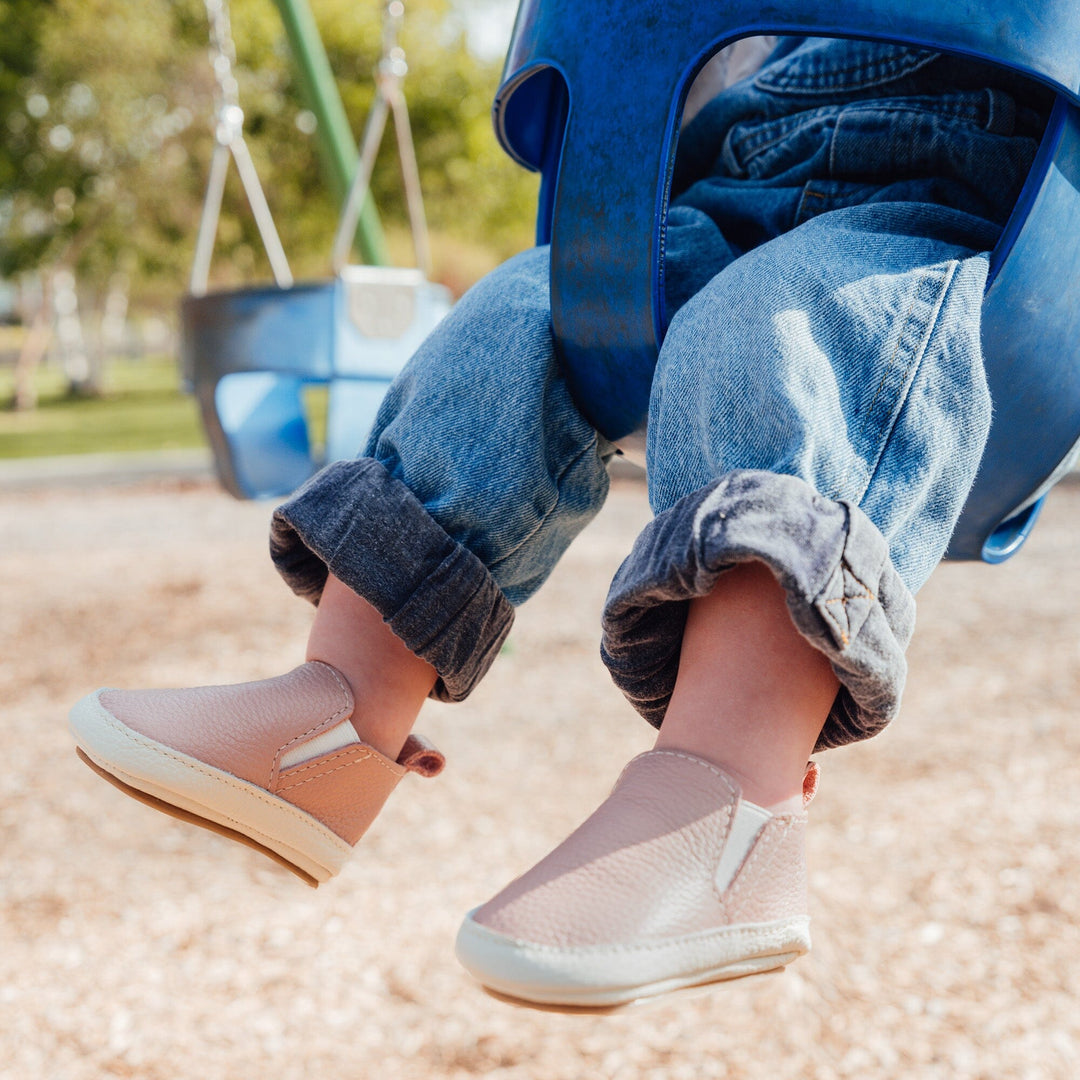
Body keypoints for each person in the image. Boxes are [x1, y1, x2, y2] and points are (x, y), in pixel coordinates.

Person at [69, 36, 1050, 1008]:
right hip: (732, 175)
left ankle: (726, 807)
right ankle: (332, 720)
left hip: (957, 189)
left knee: (765, 338)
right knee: (517, 311)